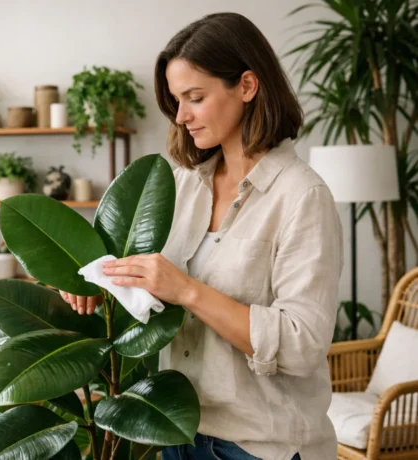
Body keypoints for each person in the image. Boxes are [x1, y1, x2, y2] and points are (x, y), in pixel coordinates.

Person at [60, 12, 342, 460]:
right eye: (176, 100)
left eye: (195, 97)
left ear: (247, 86)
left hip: (262, 447)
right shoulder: (182, 185)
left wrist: (188, 291)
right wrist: (104, 284)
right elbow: (151, 287)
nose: (181, 116)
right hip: (177, 434)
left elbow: (302, 344)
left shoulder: (302, 196)